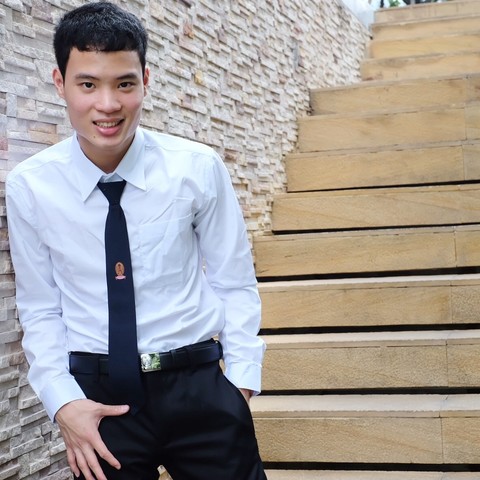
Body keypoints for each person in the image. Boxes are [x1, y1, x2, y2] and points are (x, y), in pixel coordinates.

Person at [5, 2, 267, 479]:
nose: (108, 105)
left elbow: (234, 280)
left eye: (124, 84)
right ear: (60, 83)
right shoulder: (31, 186)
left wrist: (240, 384)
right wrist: (63, 402)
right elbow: (40, 308)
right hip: (98, 402)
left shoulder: (196, 168)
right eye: (88, 84)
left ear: (145, 80)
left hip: (199, 387)